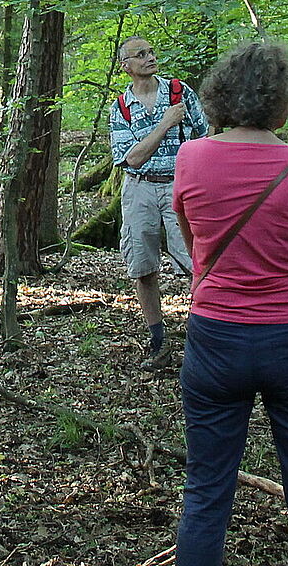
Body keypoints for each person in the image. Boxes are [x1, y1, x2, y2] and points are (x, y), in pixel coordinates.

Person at [172, 41, 288, 566]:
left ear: (219, 97)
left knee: (205, 491)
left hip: (217, 336)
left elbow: (195, 246)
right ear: (284, 101)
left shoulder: (191, 158)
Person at [109, 35, 208, 368]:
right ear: (126, 67)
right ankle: (158, 341)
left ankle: (205, 334)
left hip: (182, 187)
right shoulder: (121, 108)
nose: (150, 57)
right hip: (139, 189)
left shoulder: (181, 93)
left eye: (151, 51)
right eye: (141, 54)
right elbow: (131, 158)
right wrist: (166, 123)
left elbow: (204, 137)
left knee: (197, 262)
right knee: (142, 265)